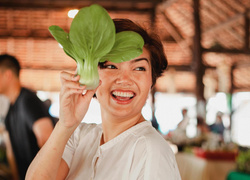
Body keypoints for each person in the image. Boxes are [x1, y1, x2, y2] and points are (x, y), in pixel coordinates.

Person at [26, 19, 181, 180]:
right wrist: (65, 125)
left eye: (139, 68)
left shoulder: (151, 151)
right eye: (111, 66)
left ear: (152, 80)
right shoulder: (79, 135)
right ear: (91, 73)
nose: (124, 79)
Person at [0, 54, 55, 180]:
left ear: (8, 75)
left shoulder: (28, 100)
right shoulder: (10, 110)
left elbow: (47, 140)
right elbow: (11, 152)